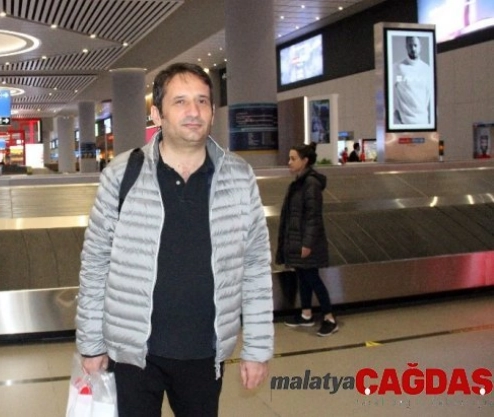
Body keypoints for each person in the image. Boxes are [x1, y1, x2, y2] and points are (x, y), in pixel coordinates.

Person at [75, 63, 274, 417]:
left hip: (204, 353)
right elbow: (95, 263)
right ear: (157, 114)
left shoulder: (238, 176)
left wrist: (257, 347)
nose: (193, 111)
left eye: (202, 101)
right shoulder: (122, 174)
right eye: (180, 101)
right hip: (132, 354)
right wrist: (91, 344)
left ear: (213, 111)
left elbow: (256, 266)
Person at [277, 143, 338, 337]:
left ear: (305, 161)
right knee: (303, 276)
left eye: (293, 158)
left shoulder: (310, 184)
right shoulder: (299, 182)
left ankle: (329, 318)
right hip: (298, 240)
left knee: (312, 278)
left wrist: (307, 244)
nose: (289, 162)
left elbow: (313, 216)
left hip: (307, 242)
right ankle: (306, 314)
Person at [392, 36, 432, 125]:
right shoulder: (398, 67)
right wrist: (395, 112)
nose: (413, 49)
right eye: (410, 46)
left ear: (420, 46)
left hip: (423, 122)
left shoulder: (427, 69)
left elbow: (428, 94)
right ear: (406, 47)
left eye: (415, 45)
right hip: (404, 123)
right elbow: (388, 92)